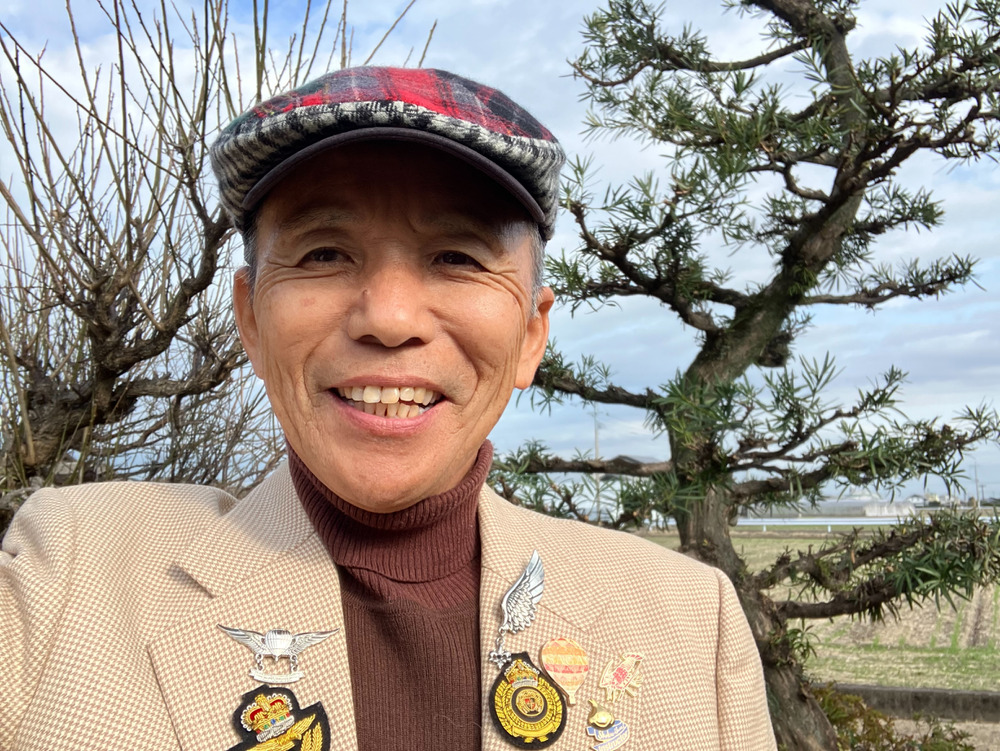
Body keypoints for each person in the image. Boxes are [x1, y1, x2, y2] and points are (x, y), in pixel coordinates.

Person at [0, 66, 775, 750]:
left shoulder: (690, 623)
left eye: (457, 257)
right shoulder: (65, 574)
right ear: (251, 319)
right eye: (324, 253)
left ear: (531, 335)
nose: (390, 317)